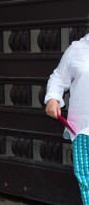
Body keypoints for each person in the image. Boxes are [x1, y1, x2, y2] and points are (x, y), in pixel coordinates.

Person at [45, 34, 89, 204]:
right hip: (83, 130)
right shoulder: (77, 49)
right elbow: (58, 78)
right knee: (87, 181)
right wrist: (53, 99)